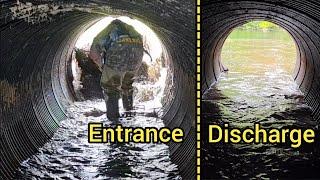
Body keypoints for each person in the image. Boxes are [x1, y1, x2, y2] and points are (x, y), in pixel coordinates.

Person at [89, 19, 148, 118]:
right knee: (127, 85)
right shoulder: (131, 29)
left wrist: (102, 67)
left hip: (118, 55)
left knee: (111, 87)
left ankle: (113, 119)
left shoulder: (108, 30)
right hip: (136, 57)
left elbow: (93, 52)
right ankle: (129, 112)